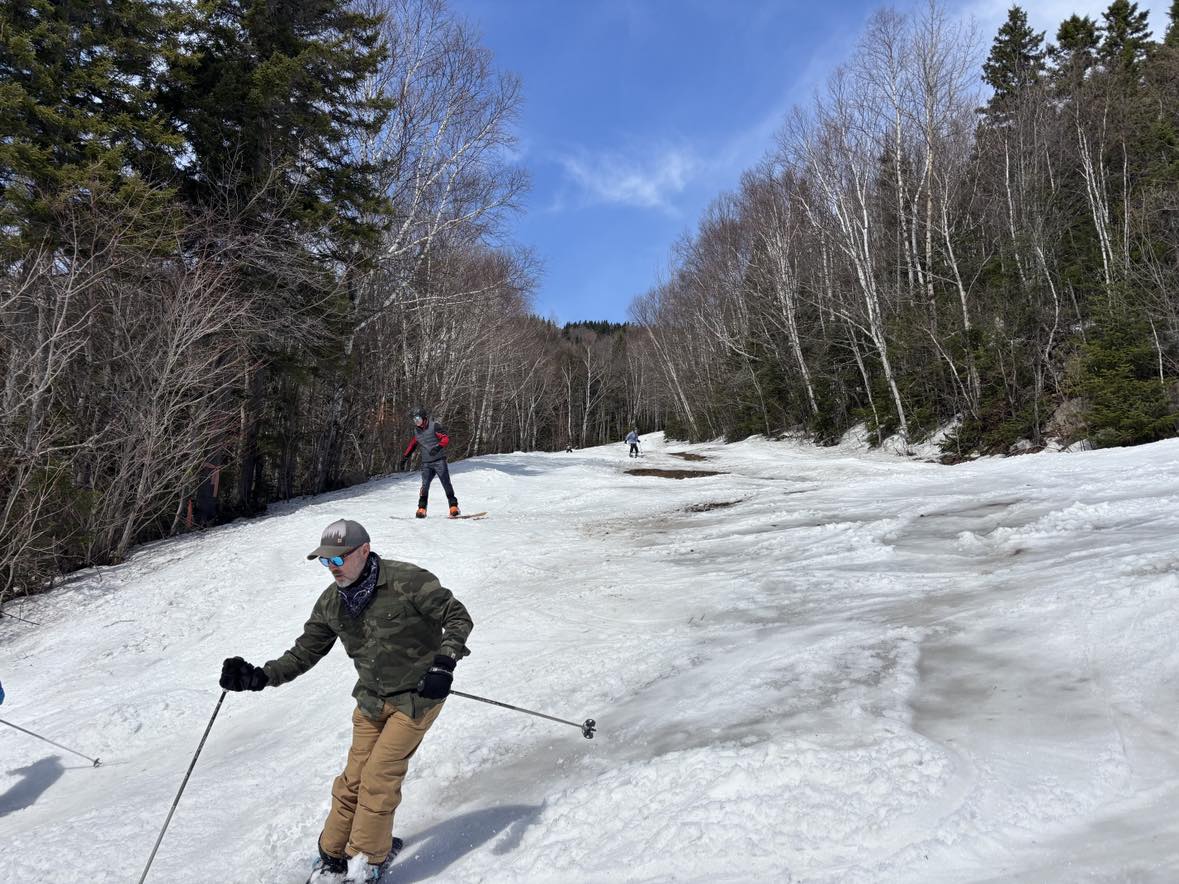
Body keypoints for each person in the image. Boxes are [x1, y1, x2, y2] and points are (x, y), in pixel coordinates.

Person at [219, 519, 473, 883]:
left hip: (418, 696)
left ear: (364, 551)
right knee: (352, 780)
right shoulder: (331, 604)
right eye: (326, 562)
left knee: (378, 777)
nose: (332, 569)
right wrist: (260, 676)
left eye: (339, 560)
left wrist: (444, 662)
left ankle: (366, 862)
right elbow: (304, 652)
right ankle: (333, 857)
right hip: (371, 700)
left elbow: (457, 616)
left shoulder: (407, 581)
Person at [399, 406, 459, 518]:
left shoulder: (434, 426)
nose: (416, 421)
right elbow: (413, 444)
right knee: (425, 486)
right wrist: (405, 457)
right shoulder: (416, 431)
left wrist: (438, 447)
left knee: (446, 483)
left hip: (439, 461)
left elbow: (445, 438)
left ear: (423, 417)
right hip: (426, 463)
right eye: (414, 419)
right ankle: (421, 508)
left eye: (417, 418)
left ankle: (453, 506)